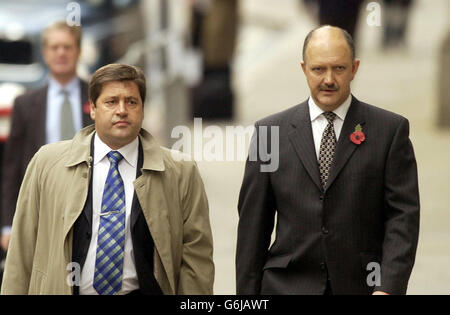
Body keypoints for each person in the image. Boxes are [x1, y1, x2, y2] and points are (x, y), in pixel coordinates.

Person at [236, 25, 420, 295]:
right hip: (286, 287)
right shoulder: (269, 134)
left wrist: (388, 287)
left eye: (339, 68)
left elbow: (403, 218)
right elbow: (253, 228)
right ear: (303, 69)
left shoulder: (389, 131)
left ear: (355, 68)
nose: (329, 79)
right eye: (318, 69)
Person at [1, 64, 214, 295]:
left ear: (142, 109)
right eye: (111, 102)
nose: (122, 110)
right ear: (92, 108)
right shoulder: (47, 163)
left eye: (131, 102)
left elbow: (197, 260)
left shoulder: (181, 172)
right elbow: (21, 251)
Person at [1, 21, 92, 252]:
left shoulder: (97, 98)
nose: (61, 52)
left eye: (67, 46)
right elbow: (12, 169)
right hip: (40, 209)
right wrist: (7, 225)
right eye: (54, 47)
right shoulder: (25, 104)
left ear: (78, 51)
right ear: (45, 53)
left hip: (90, 207)